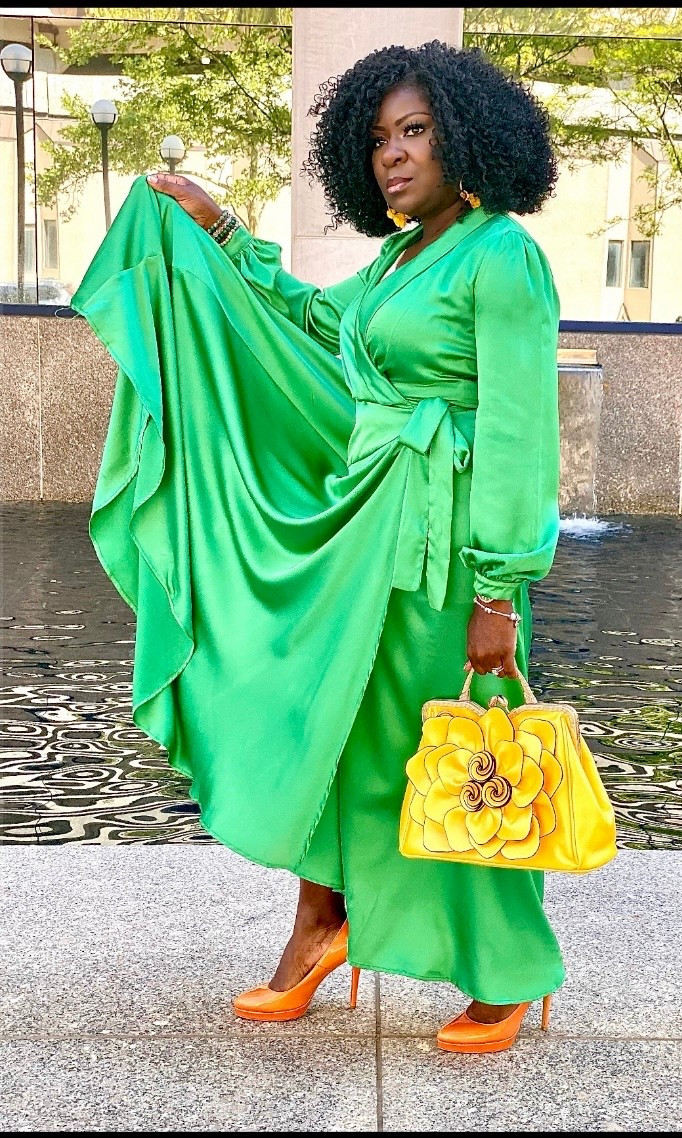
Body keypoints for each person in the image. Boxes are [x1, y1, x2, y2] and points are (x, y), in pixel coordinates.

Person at [73, 40, 565, 1055]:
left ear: (465, 135)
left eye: (415, 132)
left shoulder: (501, 253)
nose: (393, 156)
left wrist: (499, 589)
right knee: (337, 730)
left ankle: (505, 970)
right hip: (364, 532)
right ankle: (322, 921)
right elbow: (310, 326)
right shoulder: (398, 259)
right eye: (377, 138)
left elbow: (522, 432)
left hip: (440, 547)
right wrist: (223, 233)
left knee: (449, 749)